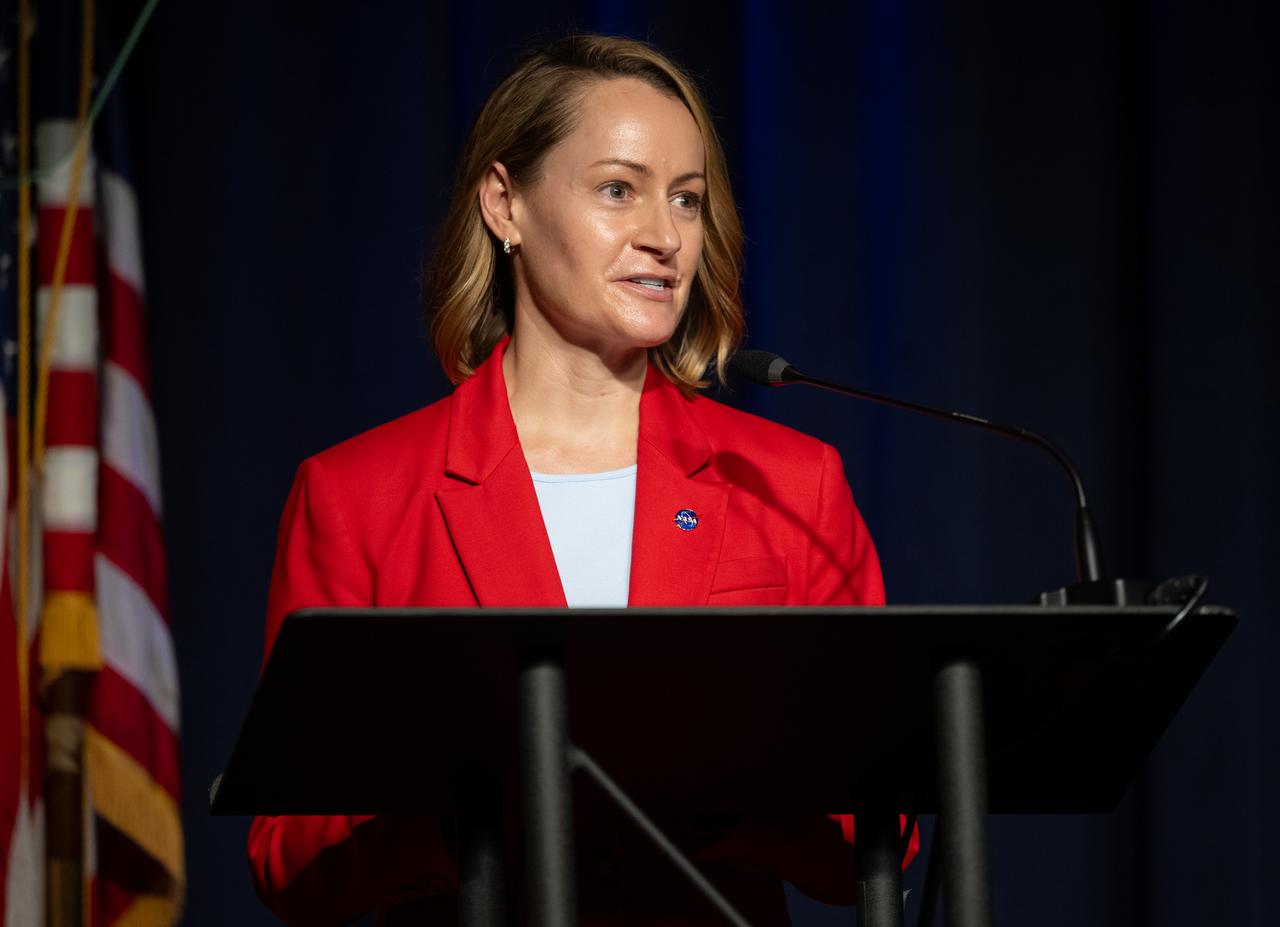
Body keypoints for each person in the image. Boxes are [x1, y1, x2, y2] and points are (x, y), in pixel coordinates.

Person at [248, 33, 911, 927]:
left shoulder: (789, 484)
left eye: (686, 199)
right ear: (506, 204)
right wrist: (480, 813)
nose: (664, 236)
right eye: (617, 190)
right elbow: (288, 851)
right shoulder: (355, 494)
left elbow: (881, 820)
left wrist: (722, 794)